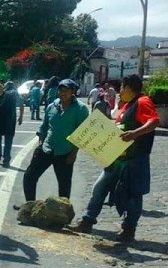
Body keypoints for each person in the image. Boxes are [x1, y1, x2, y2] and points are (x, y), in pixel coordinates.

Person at [72, 74, 160, 243]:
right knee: (99, 188)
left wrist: (135, 133)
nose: (120, 92)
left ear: (128, 88)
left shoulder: (142, 102)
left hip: (135, 158)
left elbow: (154, 121)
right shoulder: (128, 105)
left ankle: (128, 230)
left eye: (121, 88)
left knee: (133, 195)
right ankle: (87, 220)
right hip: (118, 158)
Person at [21, 79, 88, 203]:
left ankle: (63, 211)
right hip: (47, 148)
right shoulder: (52, 106)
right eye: (60, 90)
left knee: (64, 186)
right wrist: (40, 145)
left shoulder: (80, 109)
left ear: (73, 92)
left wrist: (74, 153)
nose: (63, 93)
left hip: (65, 152)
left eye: (66, 90)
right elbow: (44, 127)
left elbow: (82, 134)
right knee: (29, 176)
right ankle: (30, 205)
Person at [0, 81, 23, 168]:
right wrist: (20, 117)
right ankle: (6, 159)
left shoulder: (2, 93)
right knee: (8, 140)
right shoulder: (16, 94)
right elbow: (21, 105)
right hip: (11, 120)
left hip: (0, 119)